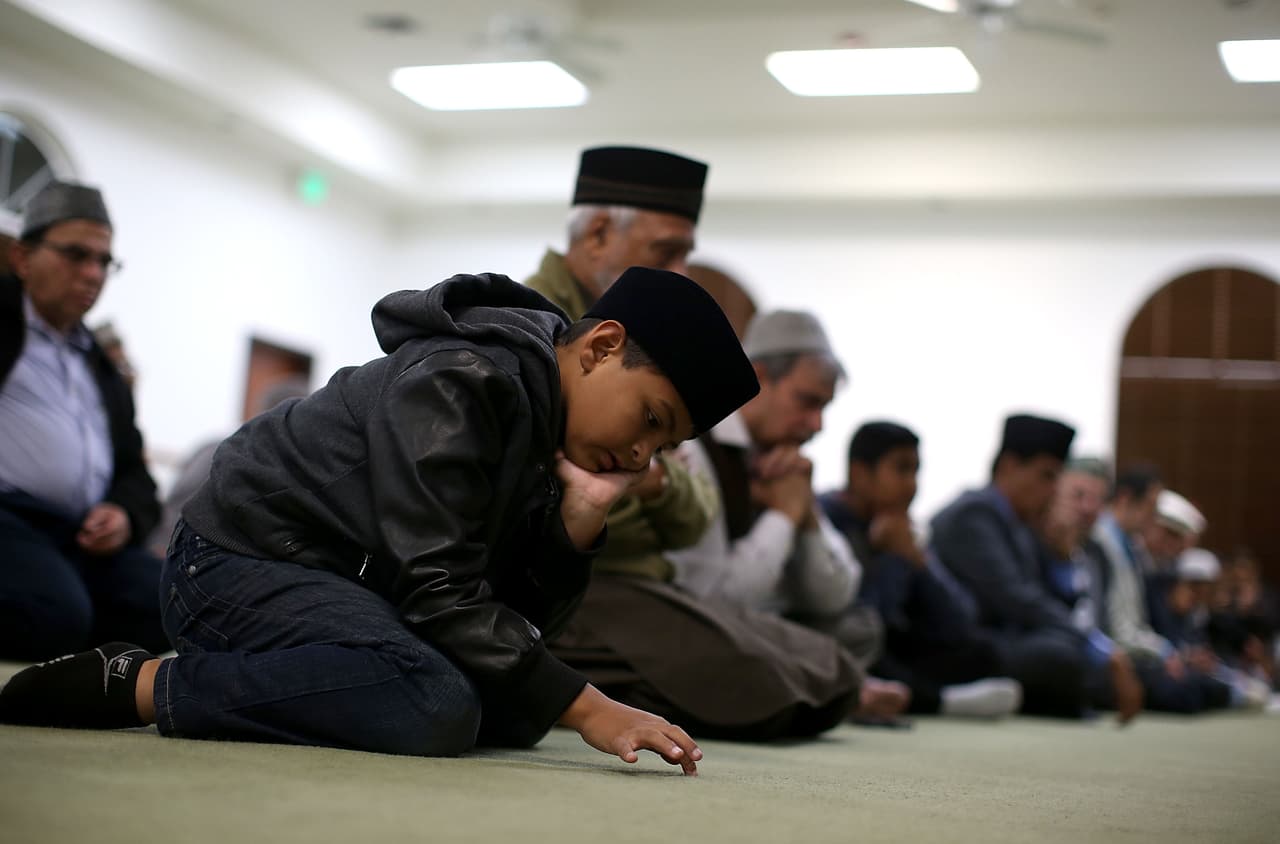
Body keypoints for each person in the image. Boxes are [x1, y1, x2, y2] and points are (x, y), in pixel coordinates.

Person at [0, 266, 759, 776]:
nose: (641, 452)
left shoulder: (550, 429)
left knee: (508, 709)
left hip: (343, 587)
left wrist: (579, 520)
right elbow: (436, 588)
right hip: (237, 560)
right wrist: (589, 705)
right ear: (601, 347)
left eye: (665, 444)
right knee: (434, 703)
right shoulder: (464, 379)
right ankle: (140, 682)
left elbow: (519, 628)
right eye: (651, 419)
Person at [524, 143, 716, 585]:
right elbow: (605, 527)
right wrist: (655, 487)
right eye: (667, 252)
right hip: (589, 589)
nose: (681, 273)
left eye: (660, 447)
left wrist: (652, 483)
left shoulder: (644, 343)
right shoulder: (534, 334)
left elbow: (698, 518)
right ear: (598, 235)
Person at [0, 181, 167, 661]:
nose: (93, 274)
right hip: (8, 519)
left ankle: (65, 614)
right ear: (22, 257)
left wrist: (123, 514)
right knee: (56, 613)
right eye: (76, 255)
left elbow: (135, 472)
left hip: (77, 535)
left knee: (169, 603)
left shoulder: (101, 366)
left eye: (103, 261)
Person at [820, 421, 1021, 718]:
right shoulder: (828, 520)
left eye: (916, 471)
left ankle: (926, 694)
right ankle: (940, 702)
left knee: (982, 653)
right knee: (868, 655)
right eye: (901, 470)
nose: (911, 484)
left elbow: (961, 623)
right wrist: (892, 560)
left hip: (894, 643)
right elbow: (867, 622)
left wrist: (919, 561)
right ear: (859, 474)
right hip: (843, 640)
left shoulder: (900, 526)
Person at [931, 414, 1126, 720]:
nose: (1052, 490)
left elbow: (1048, 601)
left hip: (1003, 641)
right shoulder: (974, 515)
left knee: (1067, 651)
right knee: (1062, 657)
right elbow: (1017, 600)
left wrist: (1062, 557)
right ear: (1009, 466)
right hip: (964, 646)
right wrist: (1096, 648)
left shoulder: (1017, 523)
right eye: (1047, 476)